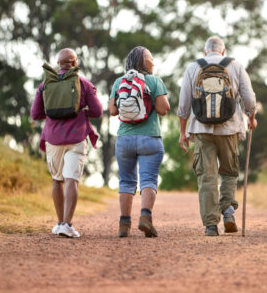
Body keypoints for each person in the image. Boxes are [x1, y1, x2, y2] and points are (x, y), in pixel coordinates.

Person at [178, 36, 257, 236]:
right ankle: (228, 211)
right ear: (223, 51)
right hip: (229, 128)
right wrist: (251, 117)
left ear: (205, 52)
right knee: (230, 172)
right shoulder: (235, 65)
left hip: (201, 130)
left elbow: (183, 104)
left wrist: (182, 132)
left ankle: (211, 225)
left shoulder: (193, 67)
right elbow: (249, 98)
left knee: (207, 176)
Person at [31, 48, 102, 238]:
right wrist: (82, 110)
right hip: (77, 138)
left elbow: (35, 114)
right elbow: (97, 111)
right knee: (72, 179)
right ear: (75, 63)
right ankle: (68, 225)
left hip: (53, 139)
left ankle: (59, 222)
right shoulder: (84, 84)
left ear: (58, 64)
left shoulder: (45, 85)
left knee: (57, 180)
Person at [108, 46, 170, 238]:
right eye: (150, 59)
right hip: (150, 138)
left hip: (125, 139)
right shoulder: (154, 81)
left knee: (126, 181)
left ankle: (124, 224)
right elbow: (163, 109)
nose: (153, 62)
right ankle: (145, 218)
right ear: (142, 62)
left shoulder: (119, 82)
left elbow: (112, 110)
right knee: (148, 180)